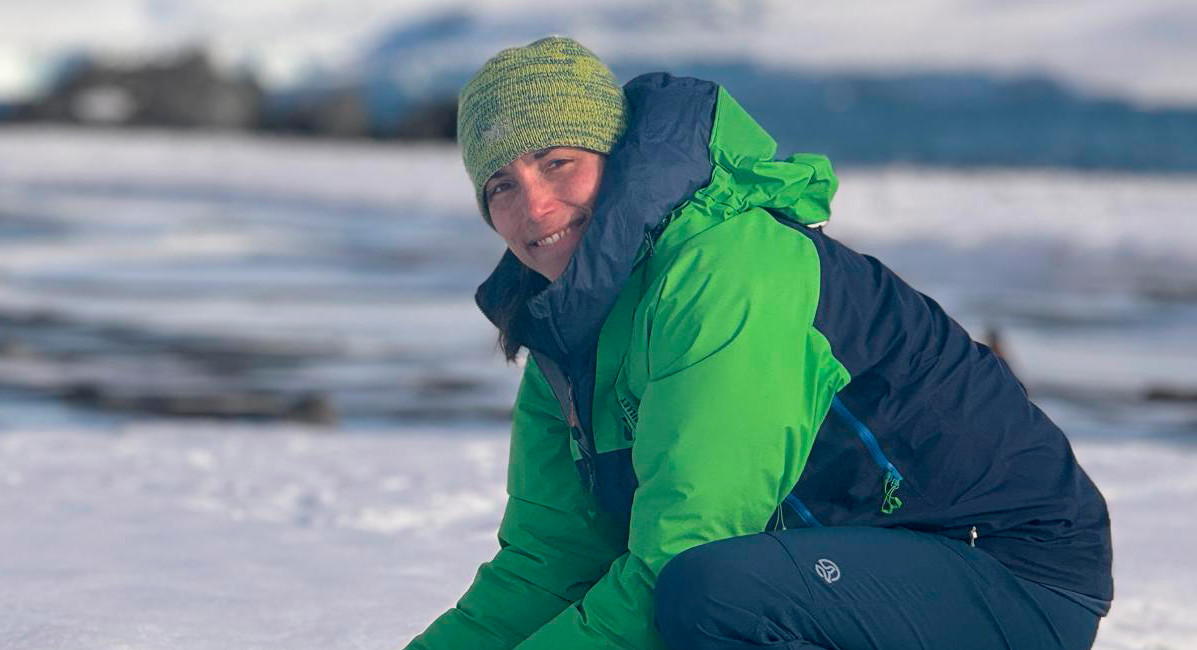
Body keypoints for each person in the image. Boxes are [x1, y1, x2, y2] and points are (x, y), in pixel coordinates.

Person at [403, 37, 1111, 650]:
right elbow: (548, 564)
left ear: (616, 155)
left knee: (706, 594)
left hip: (1008, 570)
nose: (534, 206)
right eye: (501, 185)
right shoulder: (563, 332)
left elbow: (685, 549)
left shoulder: (724, 269)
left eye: (557, 162)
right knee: (706, 595)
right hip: (836, 577)